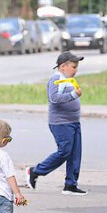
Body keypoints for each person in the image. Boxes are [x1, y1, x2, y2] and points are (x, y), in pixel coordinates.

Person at [26, 51, 86, 195]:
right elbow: (54, 98)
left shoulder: (68, 80)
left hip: (73, 122)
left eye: (77, 66)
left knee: (75, 154)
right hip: (61, 123)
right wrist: (74, 95)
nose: (76, 70)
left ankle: (70, 184)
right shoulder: (56, 79)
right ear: (63, 66)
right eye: (73, 66)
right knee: (64, 151)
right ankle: (35, 171)